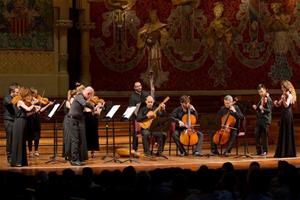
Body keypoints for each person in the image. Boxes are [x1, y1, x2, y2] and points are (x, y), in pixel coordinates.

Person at [137, 9, 169, 87]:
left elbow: (165, 37)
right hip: (149, 50)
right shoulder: (146, 27)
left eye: (154, 15)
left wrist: (159, 35)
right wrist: (144, 36)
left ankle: (157, 77)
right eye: (151, 15)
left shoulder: (161, 27)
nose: (152, 17)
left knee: (156, 62)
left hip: (157, 47)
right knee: (150, 63)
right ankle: (151, 78)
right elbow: (140, 37)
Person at [65, 86, 96, 166]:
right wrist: (93, 107)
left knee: (79, 140)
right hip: (73, 121)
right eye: (90, 96)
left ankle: (77, 159)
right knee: (75, 140)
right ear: (88, 94)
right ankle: (74, 160)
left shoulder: (81, 97)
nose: (89, 98)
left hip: (77, 120)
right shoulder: (79, 96)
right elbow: (84, 104)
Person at [11, 87, 40, 167]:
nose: (30, 97)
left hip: (23, 122)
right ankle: (17, 161)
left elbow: (25, 114)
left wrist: (34, 111)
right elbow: (27, 109)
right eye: (28, 95)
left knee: (22, 142)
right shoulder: (19, 101)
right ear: (25, 95)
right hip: (19, 123)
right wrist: (34, 104)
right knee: (19, 142)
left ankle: (22, 161)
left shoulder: (22, 101)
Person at [273, 80, 297, 158]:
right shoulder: (283, 94)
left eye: (282, 87)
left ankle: (288, 152)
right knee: (283, 131)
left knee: (287, 131)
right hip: (284, 114)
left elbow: (286, 105)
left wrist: (283, 99)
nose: (281, 88)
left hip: (288, 114)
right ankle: (283, 151)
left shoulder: (289, 95)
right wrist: (276, 103)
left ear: (286, 87)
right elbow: (279, 104)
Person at [129, 81, 150, 152]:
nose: (139, 87)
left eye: (140, 85)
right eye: (137, 86)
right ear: (134, 88)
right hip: (136, 118)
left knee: (146, 132)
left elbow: (151, 101)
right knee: (135, 134)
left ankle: (146, 150)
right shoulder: (132, 96)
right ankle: (134, 149)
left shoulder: (146, 94)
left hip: (145, 117)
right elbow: (131, 108)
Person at [252, 84, 272, 156]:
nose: (260, 93)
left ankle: (265, 151)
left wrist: (262, 108)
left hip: (265, 120)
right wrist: (256, 108)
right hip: (259, 120)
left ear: (265, 90)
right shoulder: (262, 99)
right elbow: (260, 109)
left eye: (261, 91)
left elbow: (269, 110)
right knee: (256, 134)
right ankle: (259, 151)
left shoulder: (268, 99)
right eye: (259, 92)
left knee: (264, 136)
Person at [3, 82, 20, 163]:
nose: (18, 93)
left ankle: (15, 156)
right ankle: (9, 156)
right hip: (9, 121)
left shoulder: (16, 98)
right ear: (12, 91)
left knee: (15, 139)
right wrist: (18, 98)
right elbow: (10, 103)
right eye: (17, 92)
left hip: (15, 120)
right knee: (10, 139)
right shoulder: (7, 98)